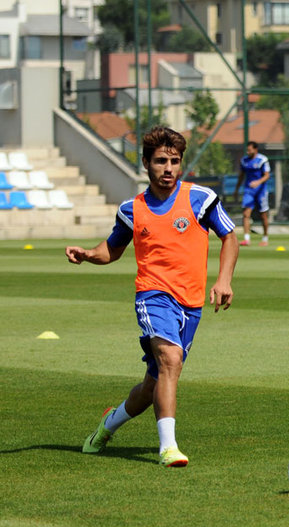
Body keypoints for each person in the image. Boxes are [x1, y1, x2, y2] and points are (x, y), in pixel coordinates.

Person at [66, 126, 239, 467]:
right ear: (145, 163)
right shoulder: (132, 209)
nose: (168, 169)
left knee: (153, 384)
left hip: (191, 303)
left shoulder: (201, 199)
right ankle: (168, 448)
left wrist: (224, 281)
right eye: (161, 161)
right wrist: (88, 254)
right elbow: (111, 250)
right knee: (170, 360)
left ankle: (107, 425)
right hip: (153, 295)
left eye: (174, 161)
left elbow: (229, 237)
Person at [234, 141, 271, 246]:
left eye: (250, 150)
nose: (248, 152)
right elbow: (241, 176)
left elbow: (267, 175)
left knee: (263, 215)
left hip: (261, 191)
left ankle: (265, 238)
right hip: (249, 190)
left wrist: (258, 182)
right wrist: (237, 189)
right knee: (246, 214)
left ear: (255, 149)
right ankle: (246, 239)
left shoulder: (262, 160)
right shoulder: (244, 161)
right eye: (247, 150)